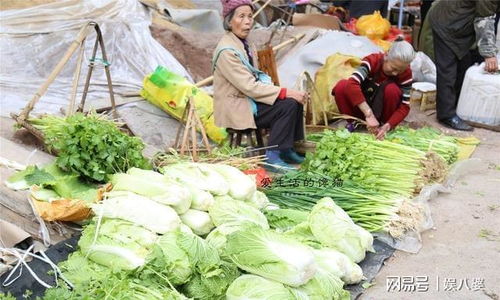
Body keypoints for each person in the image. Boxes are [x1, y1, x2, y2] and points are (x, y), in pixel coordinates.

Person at [212, 0, 308, 170]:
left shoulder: (244, 44)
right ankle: (272, 156)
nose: (248, 21)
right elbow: (249, 86)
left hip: (248, 100)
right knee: (287, 105)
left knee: (294, 103)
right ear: (229, 21)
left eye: (250, 16)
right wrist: (286, 92)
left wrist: (287, 94)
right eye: (241, 16)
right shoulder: (227, 51)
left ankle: (286, 148)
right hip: (238, 106)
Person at [428, 0, 499, 131]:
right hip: (448, 22)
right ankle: (446, 115)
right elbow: (484, 19)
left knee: (463, 66)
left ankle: (456, 107)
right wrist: (489, 54)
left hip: (461, 24)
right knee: (448, 70)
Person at [332, 38, 416, 140]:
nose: (395, 73)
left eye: (400, 70)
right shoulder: (372, 61)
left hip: (382, 113)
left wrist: (389, 125)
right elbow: (352, 83)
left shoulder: (406, 73)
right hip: (362, 108)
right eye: (393, 68)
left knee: (392, 90)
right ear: (386, 55)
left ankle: (382, 127)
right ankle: (355, 123)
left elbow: (405, 106)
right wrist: (368, 114)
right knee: (342, 86)